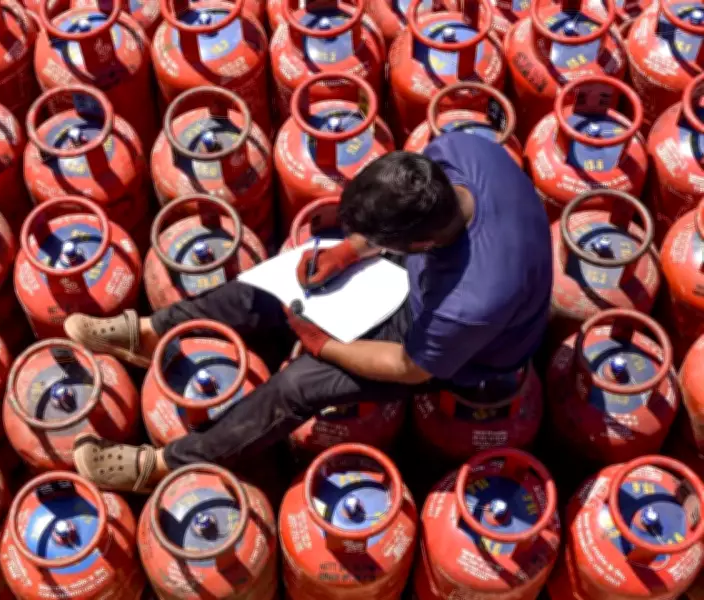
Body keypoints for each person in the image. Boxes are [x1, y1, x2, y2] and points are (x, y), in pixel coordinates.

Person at [65, 132, 552, 493]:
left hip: (466, 354)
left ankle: (168, 465)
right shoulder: (464, 152)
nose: (369, 244)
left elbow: (408, 366)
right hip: (428, 276)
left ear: (418, 243)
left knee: (300, 384)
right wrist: (351, 251)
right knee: (285, 282)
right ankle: (151, 334)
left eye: (381, 241)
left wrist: (326, 346)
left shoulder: (470, 301)